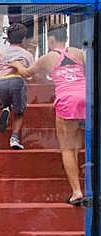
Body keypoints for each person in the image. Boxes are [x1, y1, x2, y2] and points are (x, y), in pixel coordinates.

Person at [17, 25, 86, 205]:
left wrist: (15, 64)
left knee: (67, 148)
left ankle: (77, 191)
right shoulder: (80, 53)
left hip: (67, 101)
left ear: (51, 40)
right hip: (86, 99)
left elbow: (26, 73)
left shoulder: (47, 58)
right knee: (77, 146)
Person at [0, 23, 34, 151]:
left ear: (7, 39)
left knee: (6, 103)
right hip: (17, 81)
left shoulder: (1, 52)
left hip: (0, 82)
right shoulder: (26, 54)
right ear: (23, 40)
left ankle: (5, 109)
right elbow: (30, 75)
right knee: (19, 113)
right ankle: (14, 138)